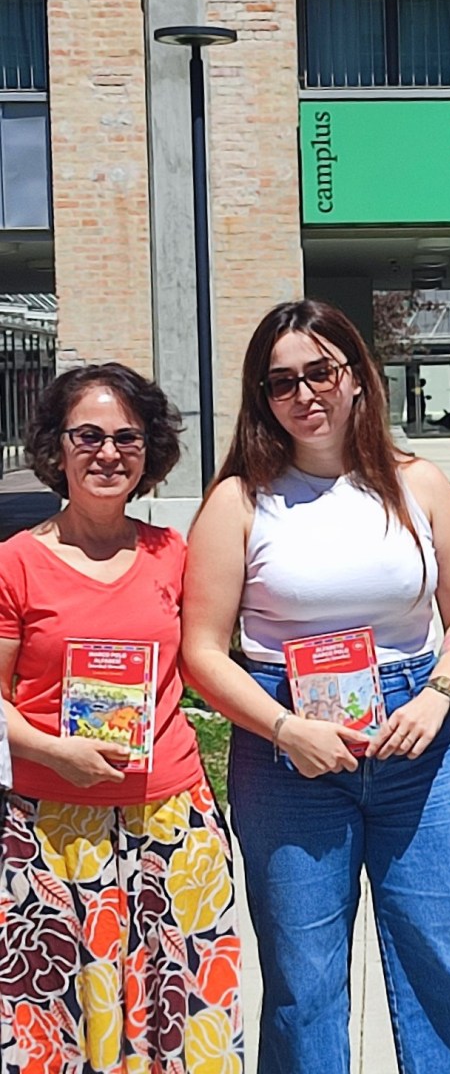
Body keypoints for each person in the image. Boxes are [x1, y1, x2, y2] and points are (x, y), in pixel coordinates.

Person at [181, 300, 450, 1074]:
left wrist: (437, 692)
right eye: (281, 383)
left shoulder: (420, 485)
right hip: (288, 758)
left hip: (414, 747)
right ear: (261, 397)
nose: (305, 395)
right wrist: (282, 729)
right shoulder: (238, 501)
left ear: (358, 378)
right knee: (305, 990)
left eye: (321, 373)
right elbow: (201, 651)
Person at [0, 364, 243, 1072]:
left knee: (185, 1014)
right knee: (63, 1027)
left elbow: (208, 661)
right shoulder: (16, 564)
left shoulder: (174, 555)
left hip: (173, 825)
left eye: (127, 438)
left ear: (150, 451)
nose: (108, 453)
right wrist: (53, 751)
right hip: (53, 831)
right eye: (88, 436)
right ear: (55, 447)